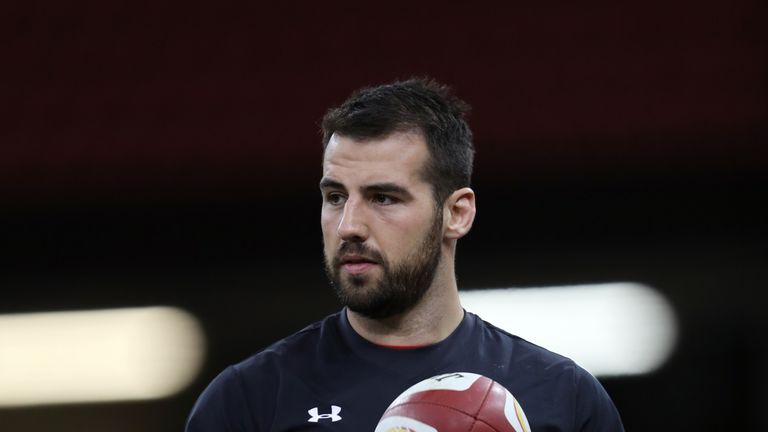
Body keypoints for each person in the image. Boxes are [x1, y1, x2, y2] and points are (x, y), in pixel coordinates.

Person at [185, 78, 625, 431]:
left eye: (383, 198)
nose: (349, 225)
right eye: (336, 196)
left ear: (456, 213)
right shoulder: (250, 402)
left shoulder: (561, 400)